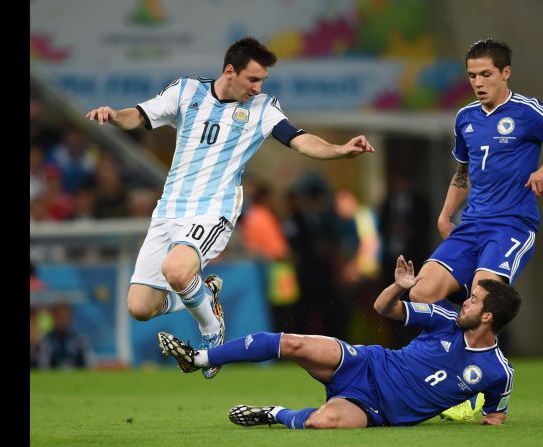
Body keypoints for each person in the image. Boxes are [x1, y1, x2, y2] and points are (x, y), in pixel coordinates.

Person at [85, 37, 375, 379]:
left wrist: (339, 149)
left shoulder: (263, 109)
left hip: (213, 211)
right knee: (139, 307)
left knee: (177, 271)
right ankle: (206, 294)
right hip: (168, 212)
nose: (257, 87)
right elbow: (139, 115)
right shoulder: (186, 91)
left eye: (262, 81)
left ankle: (211, 333)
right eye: (252, 79)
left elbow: (300, 139)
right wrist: (113, 114)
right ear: (229, 71)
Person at [158, 255, 521, 428]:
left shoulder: (498, 373)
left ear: (488, 317)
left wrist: (482, 418)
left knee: (322, 423)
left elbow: (495, 418)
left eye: (473, 301)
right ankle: (199, 358)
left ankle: (272, 413)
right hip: (366, 362)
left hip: (375, 410)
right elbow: (384, 308)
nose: (466, 302)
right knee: (293, 342)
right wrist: (400, 287)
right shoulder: (444, 321)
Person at [409, 38, 543, 306]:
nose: (478, 83)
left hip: (511, 225)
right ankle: (456, 338)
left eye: (486, 74)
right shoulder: (465, 118)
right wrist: (445, 215)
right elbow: (464, 173)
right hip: (471, 224)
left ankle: (480, 328)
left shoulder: (528, 111)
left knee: (482, 298)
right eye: (472, 76)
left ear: (506, 72)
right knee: (420, 293)